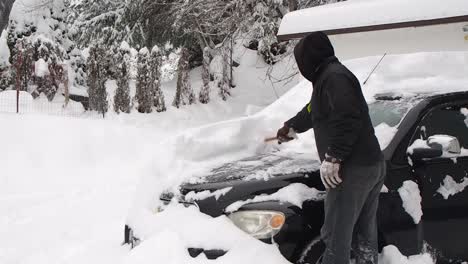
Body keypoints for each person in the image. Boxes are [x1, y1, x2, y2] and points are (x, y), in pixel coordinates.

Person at [276, 32, 386, 264]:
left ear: (309, 60)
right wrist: (292, 127)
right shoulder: (330, 78)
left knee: (336, 235)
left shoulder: (334, 78)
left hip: (351, 169)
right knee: (362, 233)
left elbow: (349, 116)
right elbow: (313, 109)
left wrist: (334, 156)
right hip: (368, 164)